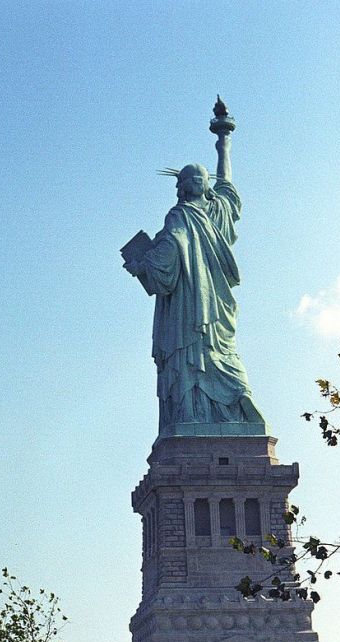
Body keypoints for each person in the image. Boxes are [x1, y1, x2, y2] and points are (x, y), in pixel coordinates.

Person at [123, 122, 266, 433]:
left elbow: (172, 247)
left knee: (191, 358)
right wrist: (224, 140)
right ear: (203, 184)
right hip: (213, 304)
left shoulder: (180, 215)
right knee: (219, 354)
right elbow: (226, 182)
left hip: (190, 307)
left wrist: (142, 264)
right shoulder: (219, 212)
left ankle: (197, 414)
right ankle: (238, 400)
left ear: (185, 187)